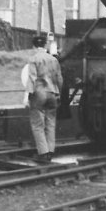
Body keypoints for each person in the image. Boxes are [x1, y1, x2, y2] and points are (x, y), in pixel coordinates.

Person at [24, 34, 63, 162]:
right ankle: (51, 151)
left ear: (34, 46)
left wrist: (27, 95)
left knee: (37, 124)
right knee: (51, 122)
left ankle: (43, 153)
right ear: (45, 45)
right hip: (53, 93)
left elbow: (32, 78)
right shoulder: (54, 60)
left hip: (39, 94)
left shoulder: (33, 59)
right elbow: (59, 79)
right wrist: (59, 92)